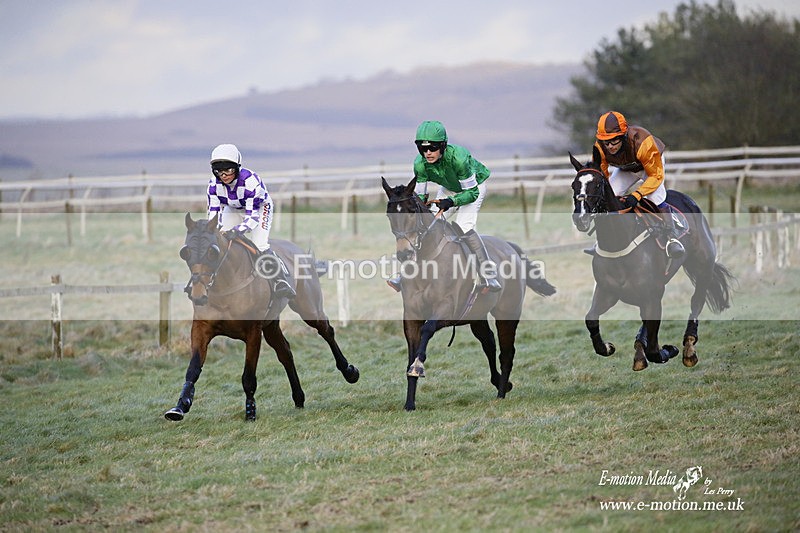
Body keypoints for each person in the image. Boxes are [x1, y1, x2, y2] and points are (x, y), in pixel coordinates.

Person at [387, 120, 501, 292]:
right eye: (423, 148)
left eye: (432, 148)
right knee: (426, 224)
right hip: (449, 187)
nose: (428, 153)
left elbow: (471, 194)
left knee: (464, 226)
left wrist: (452, 201)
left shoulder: (459, 158)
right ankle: (406, 273)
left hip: (474, 187)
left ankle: (489, 275)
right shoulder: (420, 164)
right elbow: (421, 197)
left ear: (442, 146)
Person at [592, 111, 685, 258]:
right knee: (608, 197)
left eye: (614, 140)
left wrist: (637, 194)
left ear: (623, 135)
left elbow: (656, 176)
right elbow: (602, 176)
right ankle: (604, 242)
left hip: (651, 167)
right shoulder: (600, 147)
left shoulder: (643, 142)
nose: (609, 146)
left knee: (655, 198)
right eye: (606, 141)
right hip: (626, 169)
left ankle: (672, 238)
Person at [207, 143, 295, 299]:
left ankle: (280, 281)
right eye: (219, 171)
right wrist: (214, 232)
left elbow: (252, 218)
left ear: (237, 168)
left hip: (259, 209)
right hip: (233, 208)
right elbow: (213, 214)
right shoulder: (213, 185)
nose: (224, 175)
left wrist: (237, 231)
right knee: (219, 240)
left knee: (260, 245)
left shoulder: (250, 181)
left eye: (228, 169)